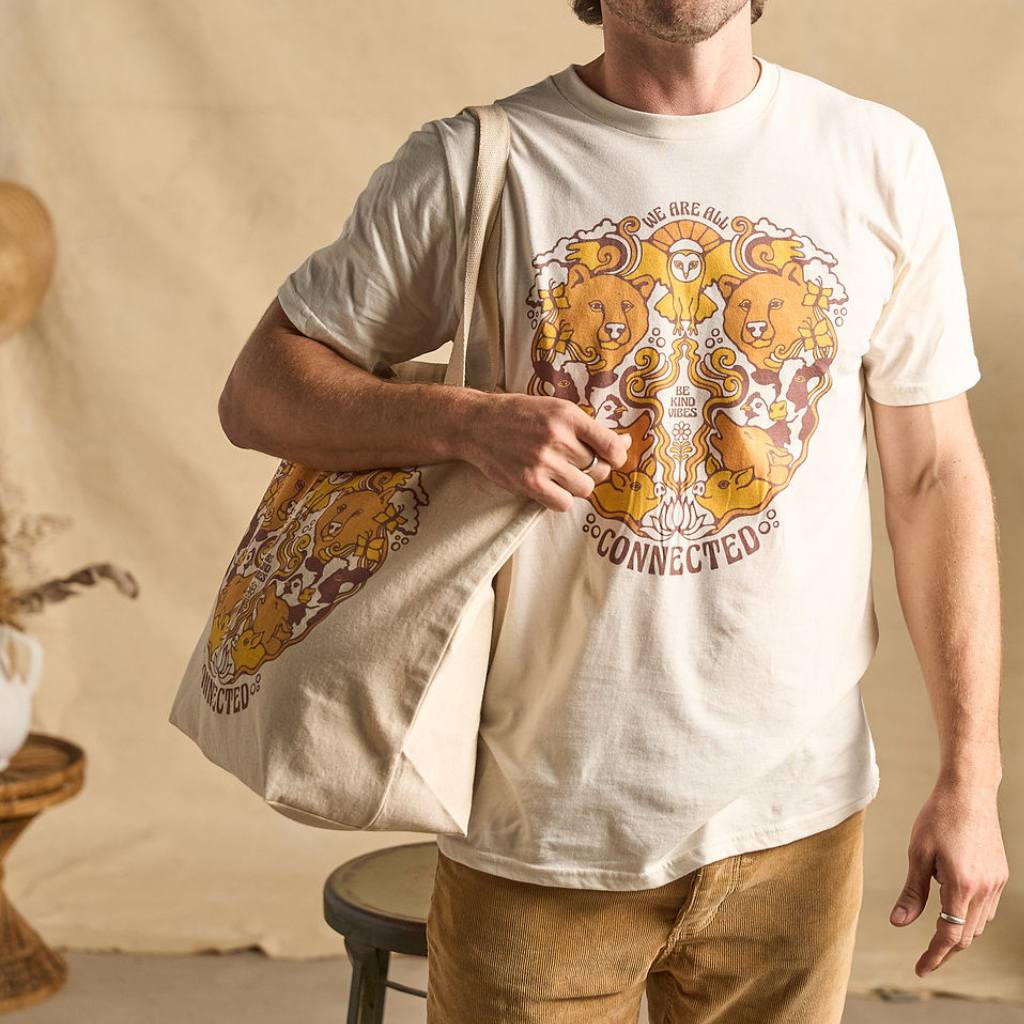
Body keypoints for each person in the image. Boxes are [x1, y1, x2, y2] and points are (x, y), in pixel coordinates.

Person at [217, 1, 1008, 1019]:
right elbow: (258, 393)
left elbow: (933, 476)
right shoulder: (474, 165)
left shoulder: (877, 158)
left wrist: (970, 779)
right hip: (536, 824)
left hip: (797, 823)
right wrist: (459, 421)